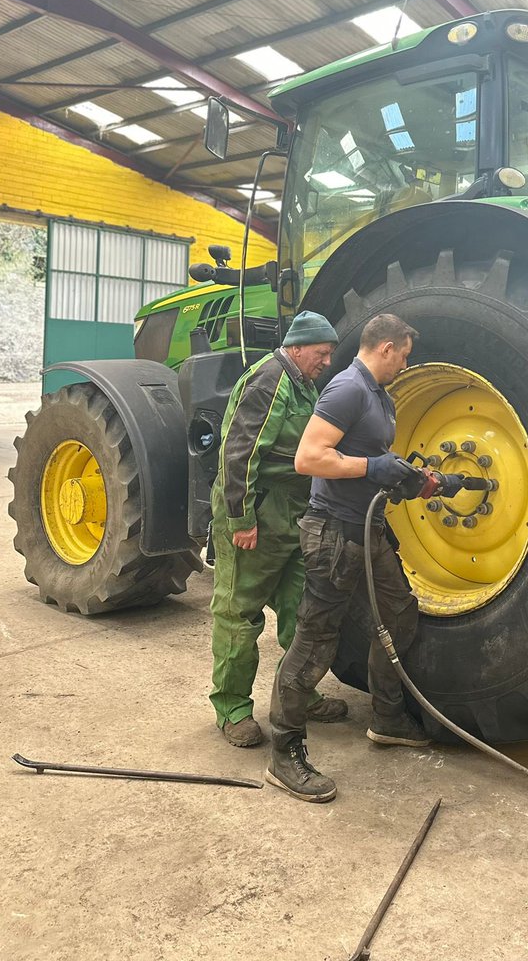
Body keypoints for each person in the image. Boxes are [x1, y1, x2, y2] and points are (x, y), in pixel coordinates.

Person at [265, 313, 429, 801]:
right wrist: (370, 467)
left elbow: (369, 466)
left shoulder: (379, 395)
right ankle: (285, 752)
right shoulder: (348, 388)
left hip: (368, 530)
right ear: (385, 348)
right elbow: (308, 458)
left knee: (398, 612)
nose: (405, 363)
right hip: (334, 533)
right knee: (316, 642)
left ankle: (387, 716)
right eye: (404, 354)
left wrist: (404, 479)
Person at [209, 310, 349, 746]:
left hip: (292, 514)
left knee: (301, 612)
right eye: (322, 353)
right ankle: (232, 709)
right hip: (257, 513)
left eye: (329, 354)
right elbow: (240, 453)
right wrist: (241, 520)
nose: (326, 361)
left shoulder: (304, 384)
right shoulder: (270, 380)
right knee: (239, 614)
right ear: (297, 347)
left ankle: (296, 697)